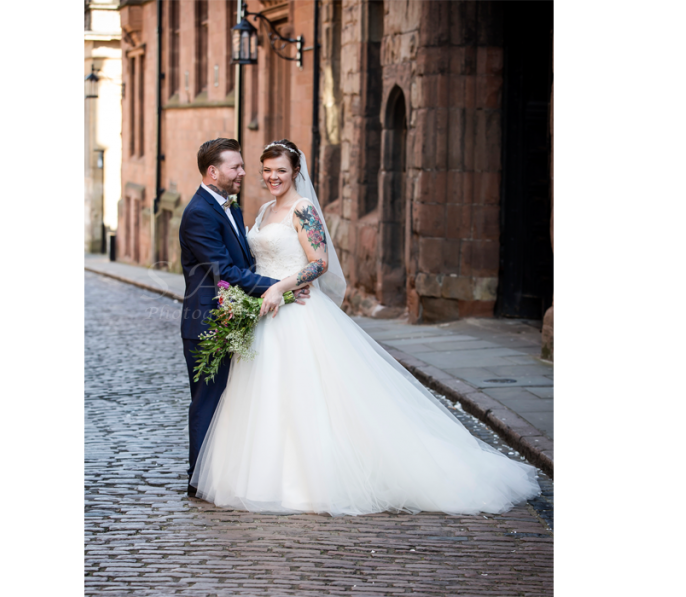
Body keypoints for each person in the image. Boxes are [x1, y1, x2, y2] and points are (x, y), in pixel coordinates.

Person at [190, 139, 542, 516]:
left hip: (297, 312)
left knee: (309, 397)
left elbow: (319, 263)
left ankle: (314, 479)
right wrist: (258, 296)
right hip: (265, 314)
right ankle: (260, 478)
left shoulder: (303, 209)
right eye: (267, 170)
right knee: (265, 398)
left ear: (296, 172)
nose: (272, 177)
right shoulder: (260, 212)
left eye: (280, 170)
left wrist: (280, 288)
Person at [178, 138, 310, 499]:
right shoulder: (199, 213)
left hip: (240, 317)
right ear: (213, 171)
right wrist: (281, 287)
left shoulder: (229, 207)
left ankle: (225, 474)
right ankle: (198, 480)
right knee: (209, 401)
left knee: (236, 401)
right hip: (208, 323)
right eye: (236, 167)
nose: (244, 172)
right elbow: (225, 272)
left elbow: (245, 263)